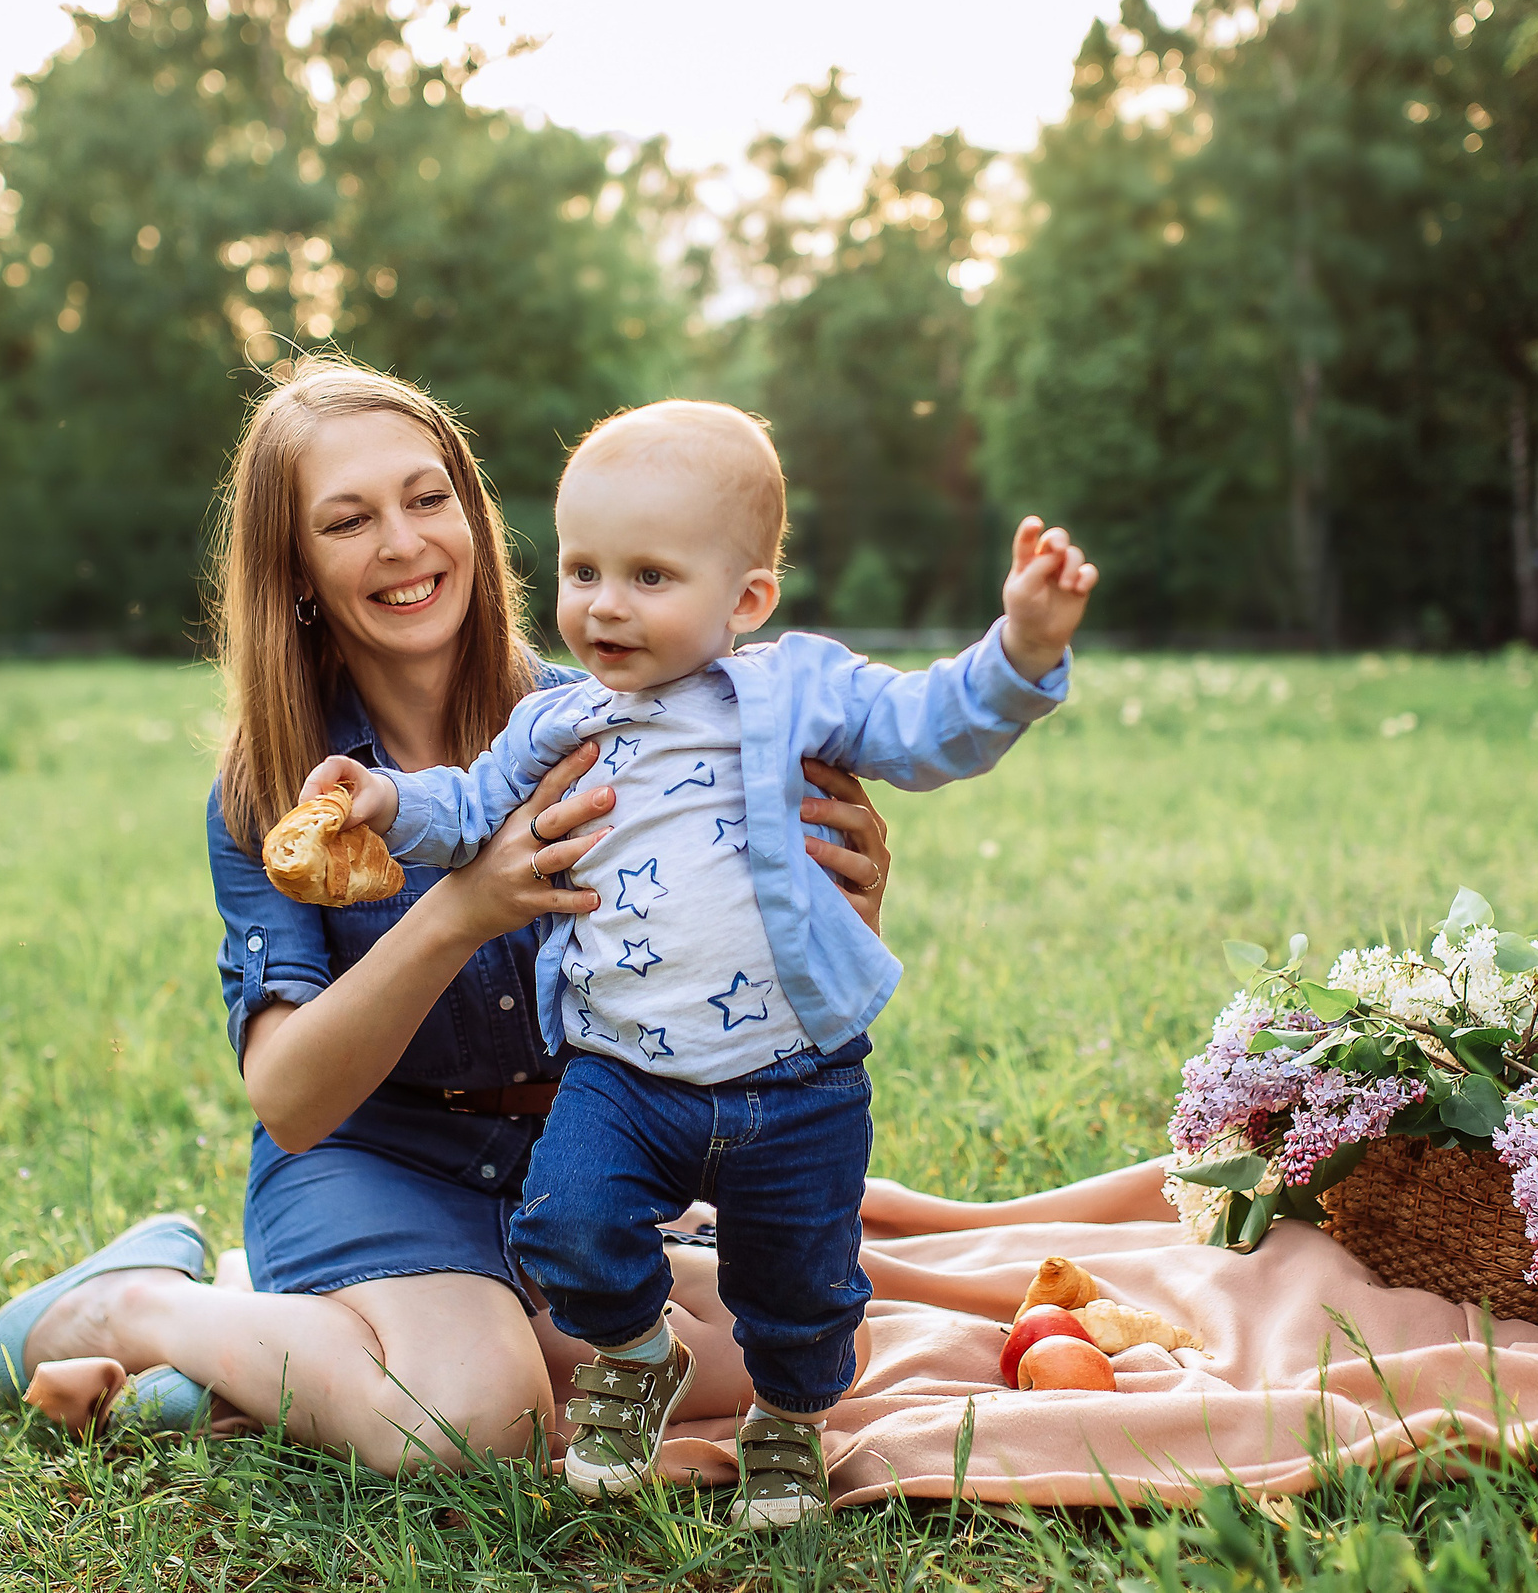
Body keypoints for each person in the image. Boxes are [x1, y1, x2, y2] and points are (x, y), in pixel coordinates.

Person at [0, 360, 897, 1471]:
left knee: (786, 1353)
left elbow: (742, 975)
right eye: (348, 521)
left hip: (569, 1158)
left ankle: (232, 1383)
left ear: (472, 515)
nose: (403, 544)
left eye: (427, 498)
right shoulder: (277, 789)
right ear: (298, 570)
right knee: (478, 1424)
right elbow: (292, 1101)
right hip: (371, 1159)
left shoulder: (609, 722)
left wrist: (844, 907)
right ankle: (141, 1309)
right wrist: (461, 909)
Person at [318, 400, 1096, 1527]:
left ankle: (786, 1426)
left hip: (794, 1078)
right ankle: (635, 1353)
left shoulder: (795, 696)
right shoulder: (557, 721)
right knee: (566, 1225)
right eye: (582, 571)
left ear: (746, 600)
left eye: (648, 576)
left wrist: (1020, 649)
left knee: (803, 1288)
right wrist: (387, 798)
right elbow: (463, 810)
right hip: (623, 1074)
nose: (603, 605)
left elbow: (933, 730)